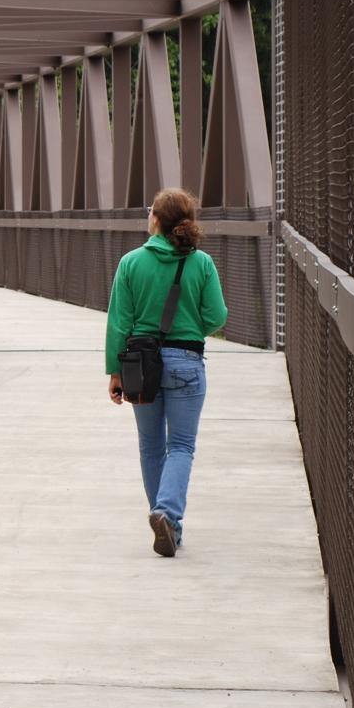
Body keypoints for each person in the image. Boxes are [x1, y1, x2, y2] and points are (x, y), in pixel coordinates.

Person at [105, 187, 229, 557]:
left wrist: (115, 371)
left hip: (142, 366)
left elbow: (119, 324)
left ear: (156, 219)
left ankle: (165, 519)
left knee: (151, 446)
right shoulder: (201, 263)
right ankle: (167, 516)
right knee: (181, 446)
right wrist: (190, 330)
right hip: (187, 363)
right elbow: (217, 316)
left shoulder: (131, 263)